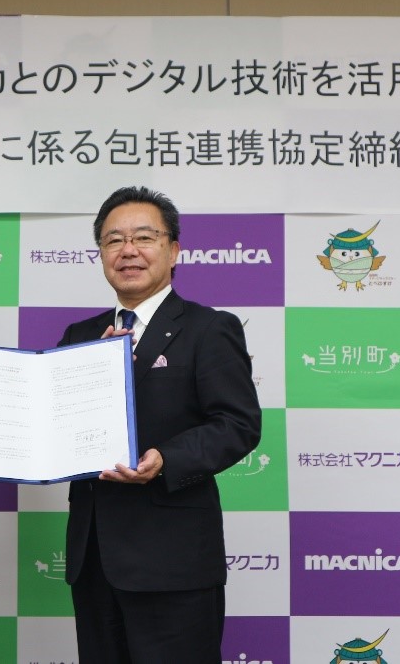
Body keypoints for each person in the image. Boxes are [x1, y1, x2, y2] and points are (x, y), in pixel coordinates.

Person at [58, 186, 262, 664]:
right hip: (94, 560)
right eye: (113, 240)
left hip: (174, 563)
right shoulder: (80, 337)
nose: (128, 250)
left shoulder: (209, 328)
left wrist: (167, 459)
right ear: (101, 254)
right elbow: (58, 428)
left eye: (144, 238)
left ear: (173, 251)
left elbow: (238, 423)